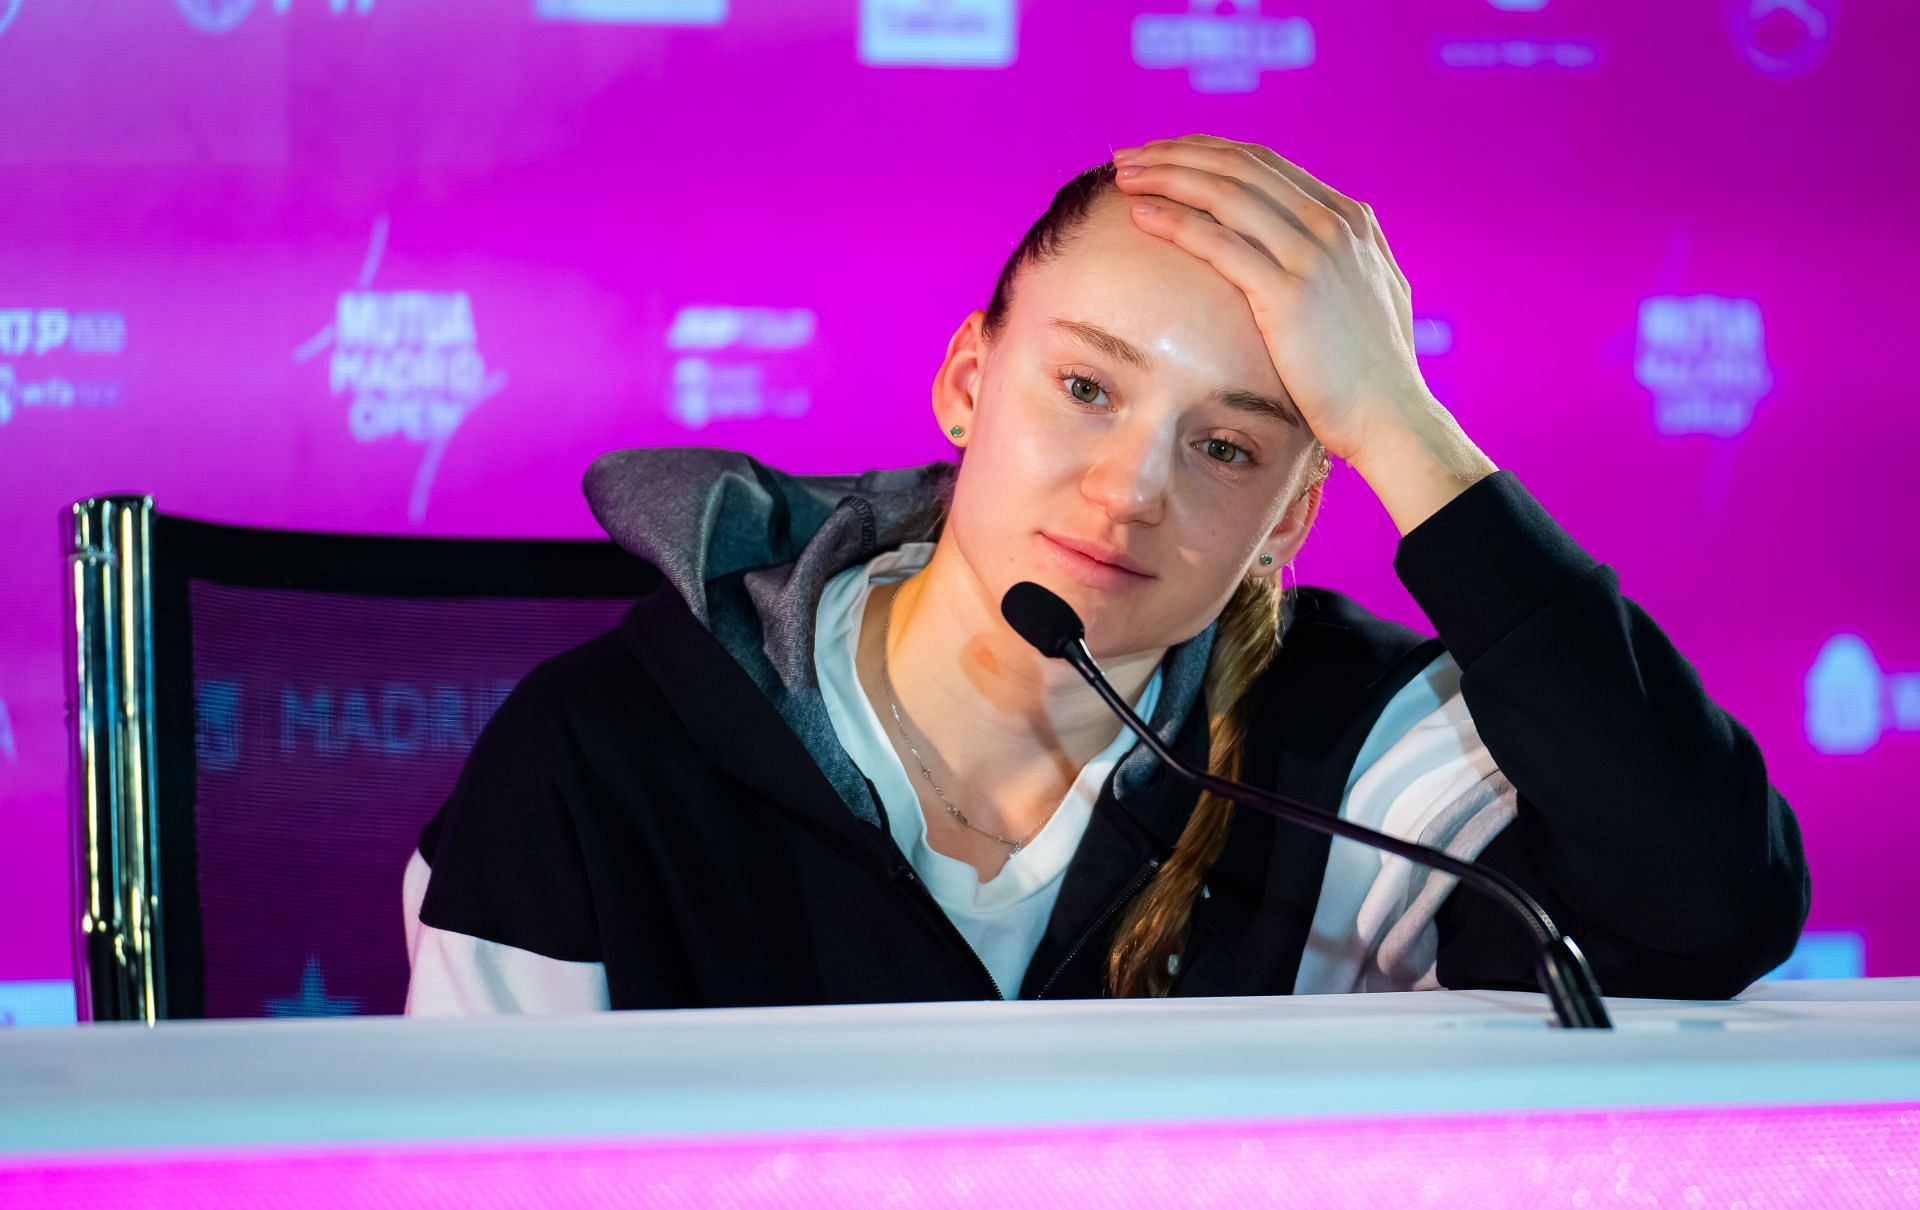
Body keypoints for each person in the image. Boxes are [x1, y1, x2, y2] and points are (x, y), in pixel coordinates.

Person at [402, 135, 1810, 1013]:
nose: (1132, 490)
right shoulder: (597, 757)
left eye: (1227, 449)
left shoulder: (1355, 750)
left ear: (1289, 511)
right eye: (1086, 386)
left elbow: (1705, 907)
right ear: (966, 380)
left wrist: (1405, 426)